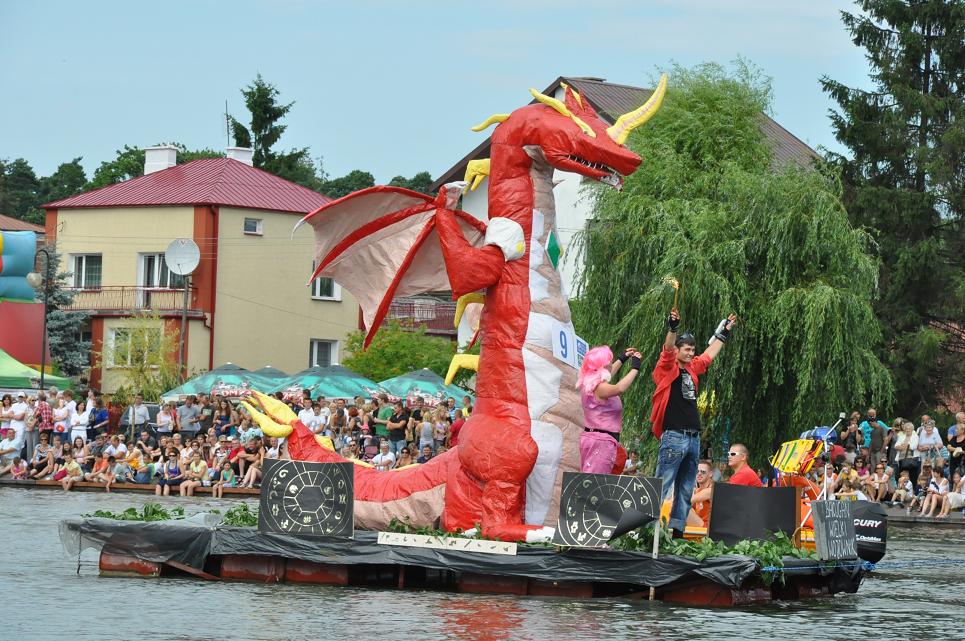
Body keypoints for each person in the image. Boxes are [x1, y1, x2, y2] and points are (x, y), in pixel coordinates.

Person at [651, 307, 737, 536]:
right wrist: (673, 328)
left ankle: (677, 532)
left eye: (692, 349)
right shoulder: (666, 368)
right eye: (687, 349)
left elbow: (708, 355)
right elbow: (667, 349)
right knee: (663, 485)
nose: (691, 353)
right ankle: (649, 534)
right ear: (678, 350)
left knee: (686, 488)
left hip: (693, 437)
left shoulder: (692, 368)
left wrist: (723, 334)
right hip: (674, 436)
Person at [578, 344, 641, 473]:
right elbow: (620, 388)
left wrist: (622, 359)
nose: (611, 364)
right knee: (597, 481)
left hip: (597, 439)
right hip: (601, 443)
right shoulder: (600, 388)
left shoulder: (590, 384)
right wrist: (635, 368)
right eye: (610, 362)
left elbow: (607, 374)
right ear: (603, 365)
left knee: (592, 479)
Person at [893, 421, 921, 486]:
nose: (908, 430)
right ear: (904, 429)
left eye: (909, 429)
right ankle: (902, 488)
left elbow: (913, 446)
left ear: (912, 429)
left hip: (912, 459)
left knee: (912, 476)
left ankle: (913, 490)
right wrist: (906, 446)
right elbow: (896, 446)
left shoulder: (915, 436)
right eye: (906, 429)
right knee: (902, 475)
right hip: (901, 459)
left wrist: (902, 446)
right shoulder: (901, 437)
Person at [688, 460, 715, 527]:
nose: (699, 474)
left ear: (710, 474)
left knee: (682, 507)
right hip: (700, 524)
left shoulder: (712, 489)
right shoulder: (698, 491)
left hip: (708, 527)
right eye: (697, 471)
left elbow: (688, 501)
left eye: (703, 472)